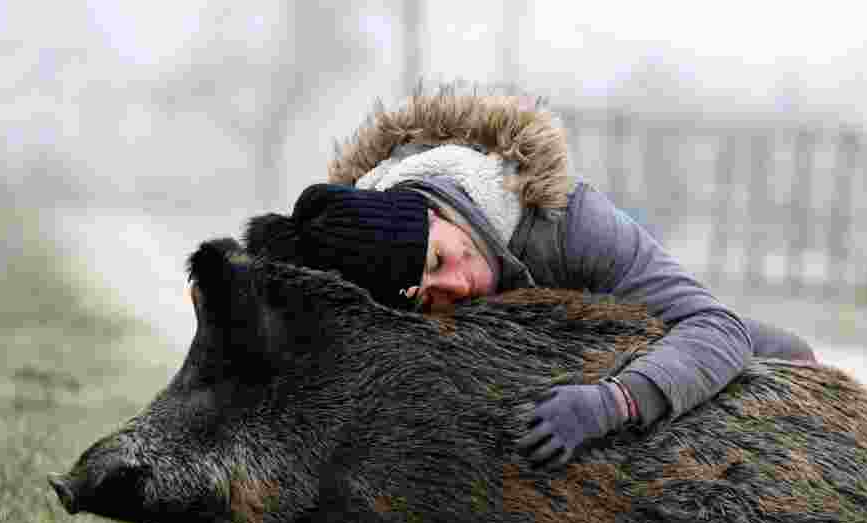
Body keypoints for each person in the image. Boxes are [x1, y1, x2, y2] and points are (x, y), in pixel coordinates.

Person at [273, 82, 815, 469]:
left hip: (636, 359)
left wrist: (615, 402)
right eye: (429, 298)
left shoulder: (566, 220)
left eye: (440, 259)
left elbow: (714, 327)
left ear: (434, 209)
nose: (458, 287)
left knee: (786, 353)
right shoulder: (350, 262)